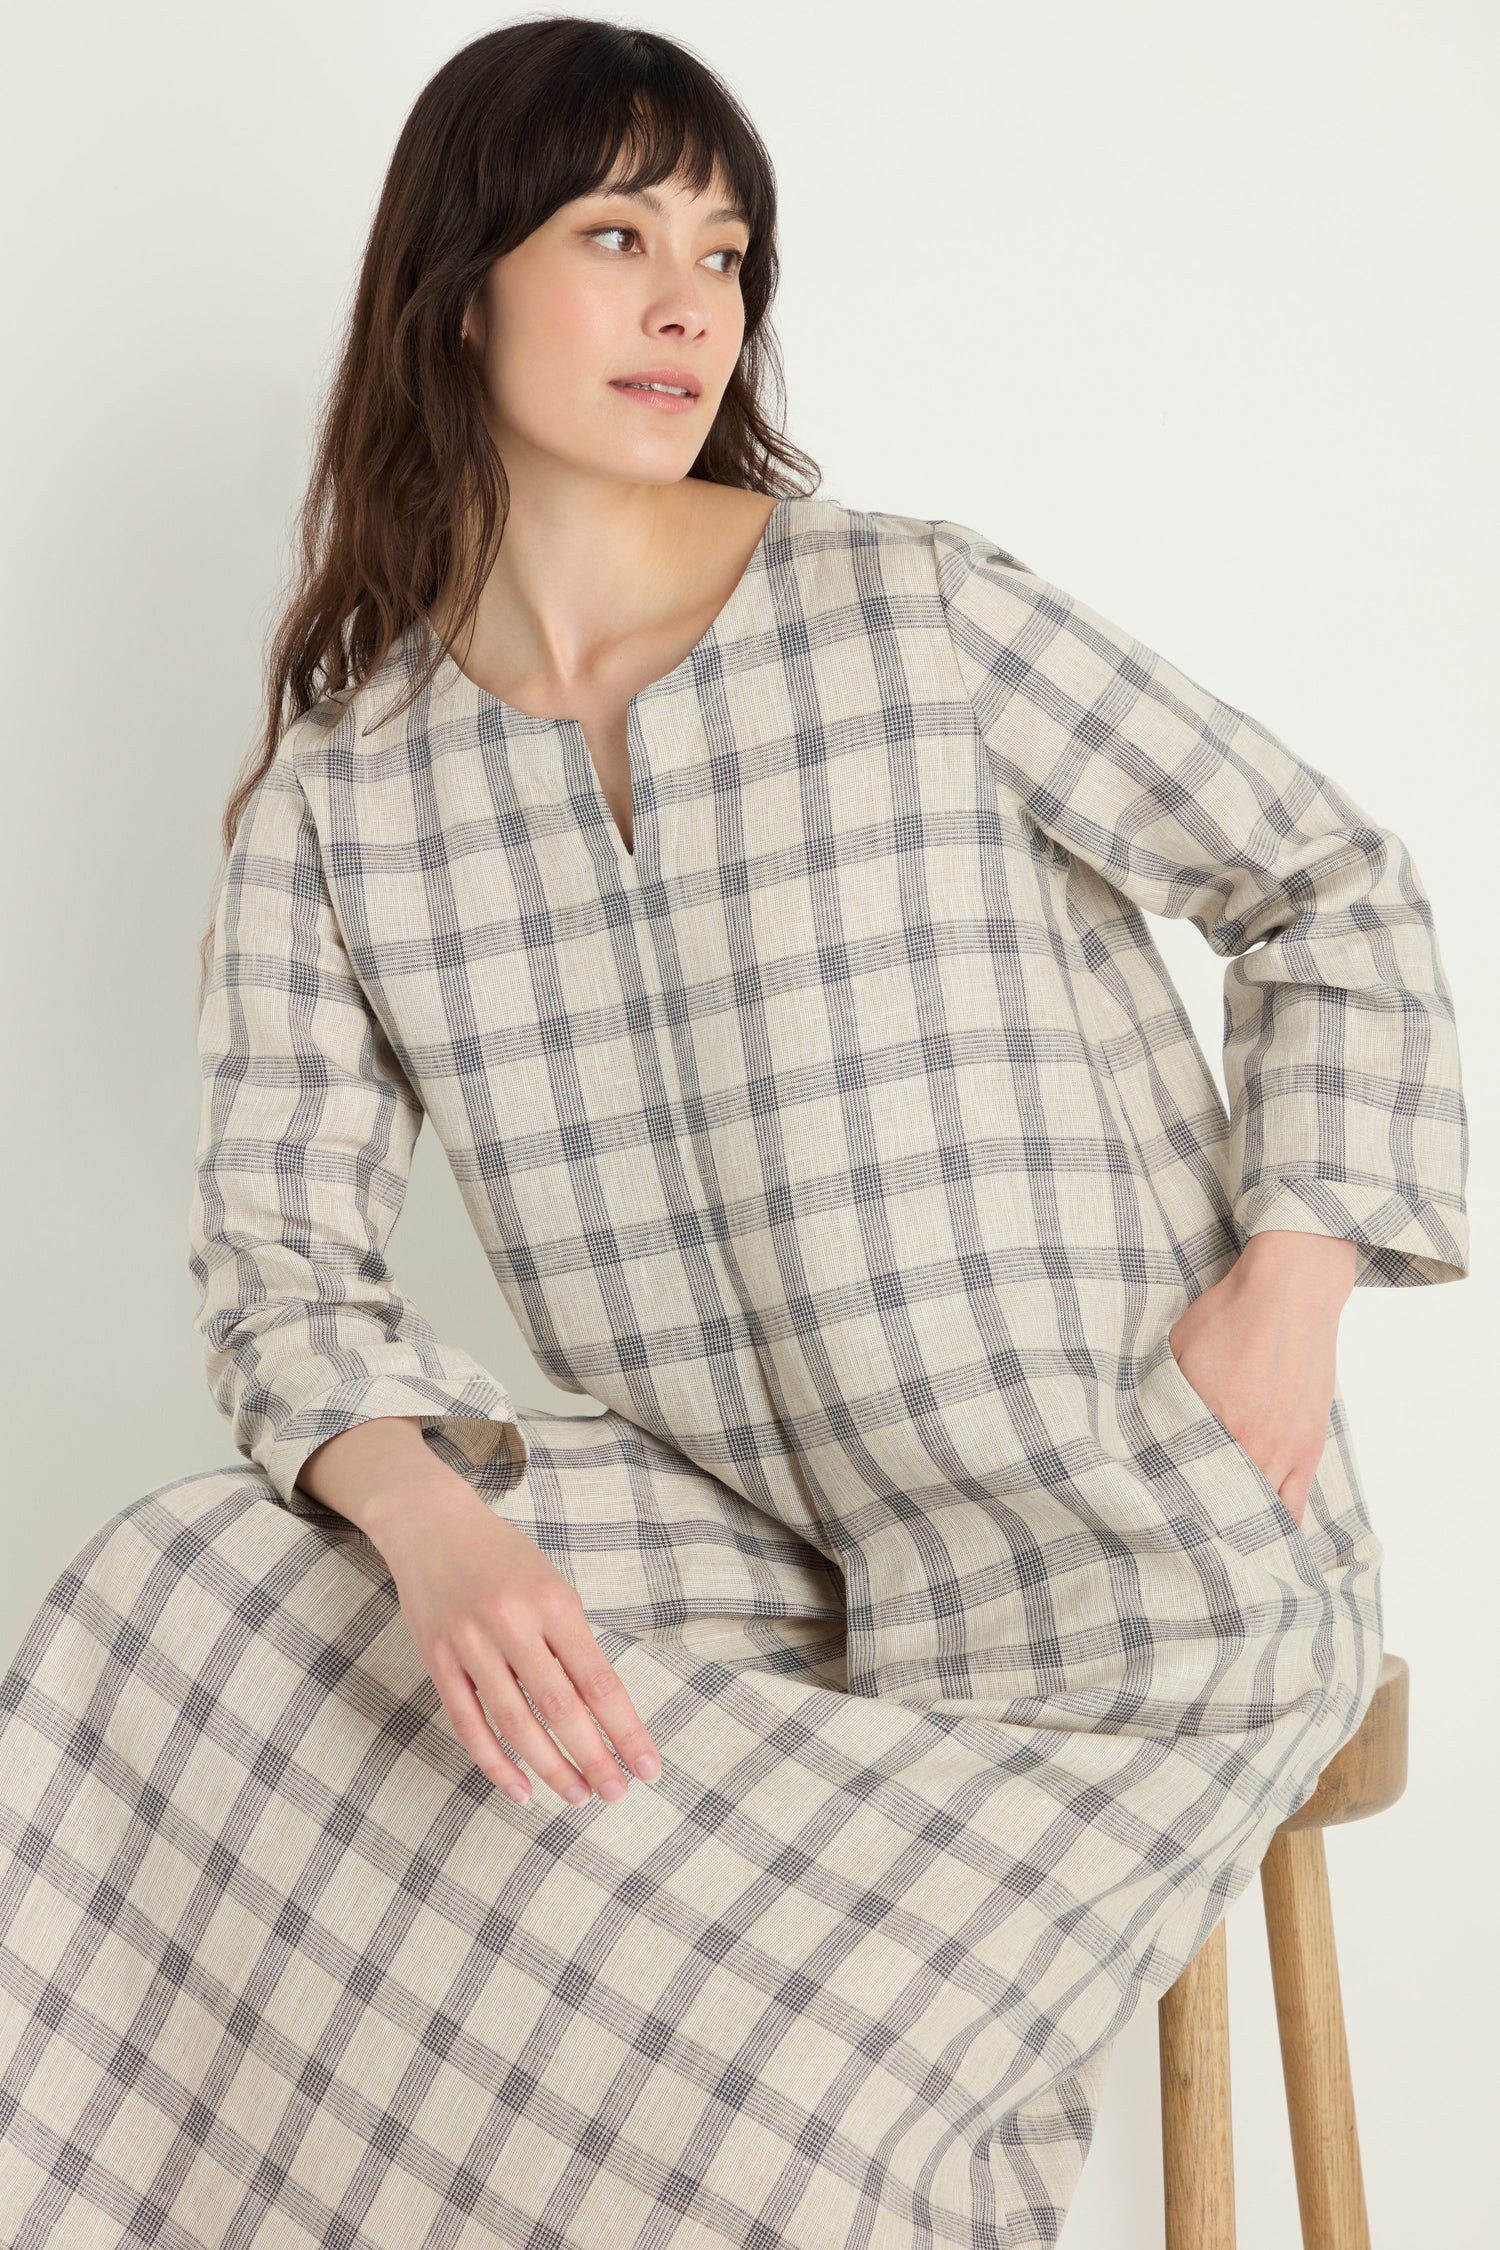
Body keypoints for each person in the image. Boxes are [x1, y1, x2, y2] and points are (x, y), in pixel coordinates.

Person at [0, 19, 1469, 2249]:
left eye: (727, 246)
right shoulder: (347, 798)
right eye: (617, 236)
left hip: (1126, 1559)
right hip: (749, 1551)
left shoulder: (910, 612)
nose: (696, 301)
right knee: (181, 1595)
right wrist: (427, 1513)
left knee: (770, 2122)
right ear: (459, 285)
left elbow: (1327, 883)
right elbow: (283, 1264)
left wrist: (1291, 1287)